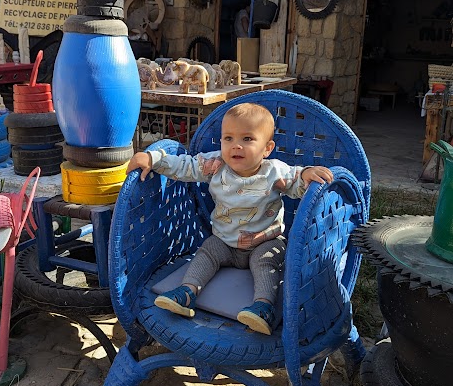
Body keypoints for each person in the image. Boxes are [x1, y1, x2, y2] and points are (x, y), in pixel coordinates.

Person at [127, 103, 334, 335]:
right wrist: (153, 159)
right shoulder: (215, 165)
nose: (236, 145)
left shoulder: (275, 171)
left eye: (247, 138)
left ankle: (263, 307)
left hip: (265, 242)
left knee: (265, 262)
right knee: (207, 251)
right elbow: (185, 165)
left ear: (267, 148)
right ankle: (186, 292)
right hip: (225, 242)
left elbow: (297, 181)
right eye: (228, 138)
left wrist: (306, 173)